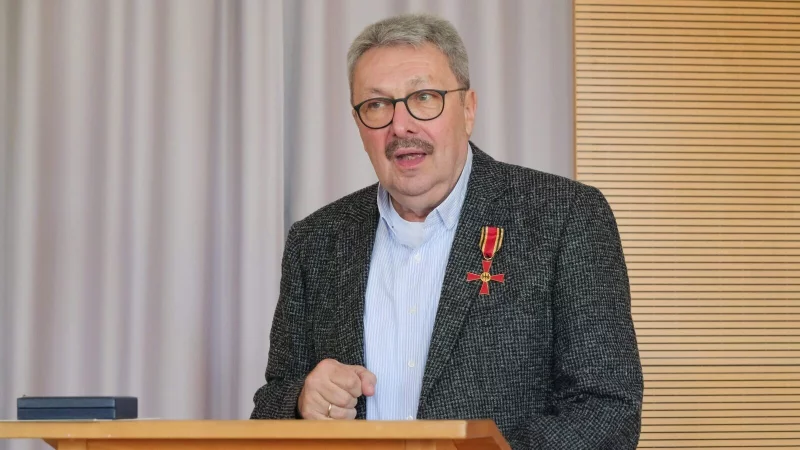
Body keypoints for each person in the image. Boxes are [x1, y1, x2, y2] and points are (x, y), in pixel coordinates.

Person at [250, 12, 643, 449]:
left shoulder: (565, 216)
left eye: (424, 97)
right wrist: (303, 400)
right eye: (377, 105)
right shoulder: (316, 241)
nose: (400, 126)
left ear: (468, 109)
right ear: (359, 123)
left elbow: (607, 408)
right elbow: (270, 403)